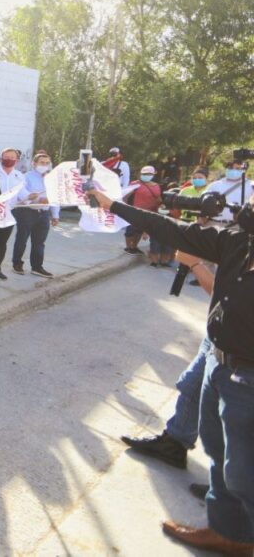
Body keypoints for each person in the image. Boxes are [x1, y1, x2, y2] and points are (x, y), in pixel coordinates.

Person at [90, 185, 254, 556]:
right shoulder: (238, 239)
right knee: (220, 453)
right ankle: (229, 533)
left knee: (245, 472)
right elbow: (169, 229)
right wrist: (113, 205)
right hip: (220, 363)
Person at [120, 252, 214, 469]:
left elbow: (229, 296)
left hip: (239, 343)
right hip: (222, 331)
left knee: (234, 406)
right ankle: (175, 444)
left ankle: (230, 487)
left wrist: (195, 263)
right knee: (192, 385)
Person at [11, 152, 59, 278]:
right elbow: (22, 194)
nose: (45, 165)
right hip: (27, 212)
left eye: (47, 163)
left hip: (44, 214)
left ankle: (37, 267)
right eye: (42, 163)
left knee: (39, 242)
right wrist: (36, 200)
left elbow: (55, 197)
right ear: (34, 164)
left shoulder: (52, 179)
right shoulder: (26, 177)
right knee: (22, 239)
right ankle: (17, 264)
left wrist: (55, 215)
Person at [0, 147, 25, 279]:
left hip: (9, 213)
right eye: (6, 157)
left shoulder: (19, 176)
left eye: (12, 158)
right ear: (0, 158)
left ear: (16, 160)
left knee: (2, 242)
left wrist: (30, 198)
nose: (9, 160)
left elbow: (22, 194)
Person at [123, 165, 166, 266]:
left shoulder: (156, 186)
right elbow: (125, 195)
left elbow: (158, 198)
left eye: (148, 174)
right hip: (135, 211)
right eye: (144, 174)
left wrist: (161, 205)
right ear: (141, 174)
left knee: (139, 230)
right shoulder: (135, 184)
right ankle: (128, 247)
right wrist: (124, 207)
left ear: (153, 174)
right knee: (130, 230)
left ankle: (134, 247)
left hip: (150, 212)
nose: (146, 175)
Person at [206, 159, 254, 224]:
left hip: (239, 227)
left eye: (237, 168)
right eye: (231, 168)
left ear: (244, 170)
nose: (234, 170)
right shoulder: (214, 185)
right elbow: (204, 204)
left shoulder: (251, 185)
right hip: (213, 224)